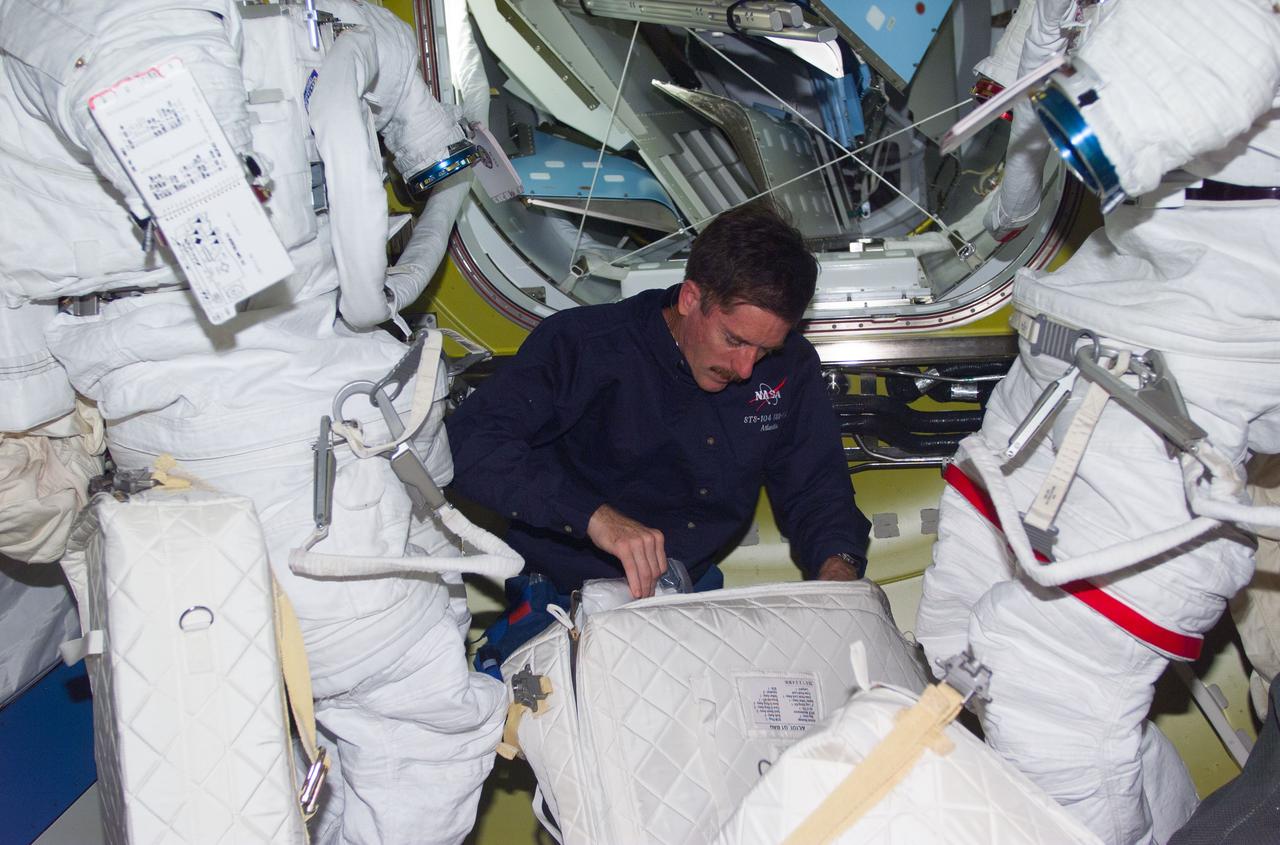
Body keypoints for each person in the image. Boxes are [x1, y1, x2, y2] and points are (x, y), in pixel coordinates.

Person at [0, 2, 507, 842]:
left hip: (314, 417)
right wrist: (217, 182)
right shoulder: (133, 29)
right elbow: (146, 71)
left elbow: (368, 50)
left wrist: (430, 151)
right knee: (419, 725)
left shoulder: (298, 19)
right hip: (259, 429)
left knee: (273, 736)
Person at [916, 1, 1280, 843]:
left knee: (1049, 699)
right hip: (1077, 351)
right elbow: (1026, 104)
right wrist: (1011, 195)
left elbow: (1158, 89)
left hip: (1183, 389)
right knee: (952, 640)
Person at [447, 203, 872, 653]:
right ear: (690, 299)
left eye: (764, 349)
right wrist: (593, 516)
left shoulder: (791, 366)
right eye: (734, 340)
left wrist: (838, 575)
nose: (747, 368)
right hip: (559, 596)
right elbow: (468, 444)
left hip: (690, 590)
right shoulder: (583, 346)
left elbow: (818, 490)